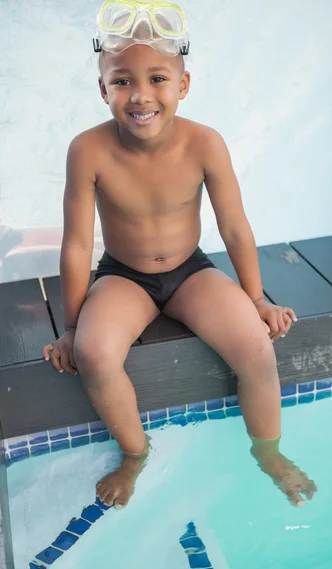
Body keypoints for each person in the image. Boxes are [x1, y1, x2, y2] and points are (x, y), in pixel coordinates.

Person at [43, 0, 317, 510]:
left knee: (257, 349)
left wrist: (256, 300)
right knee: (96, 353)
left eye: (157, 79)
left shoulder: (205, 143)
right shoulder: (88, 150)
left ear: (183, 84)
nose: (140, 95)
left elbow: (234, 226)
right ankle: (134, 454)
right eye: (122, 81)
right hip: (124, 277)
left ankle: (269, 453)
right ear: (102, 89)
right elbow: (78, 244)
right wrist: (72, 326)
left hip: (191, 271)